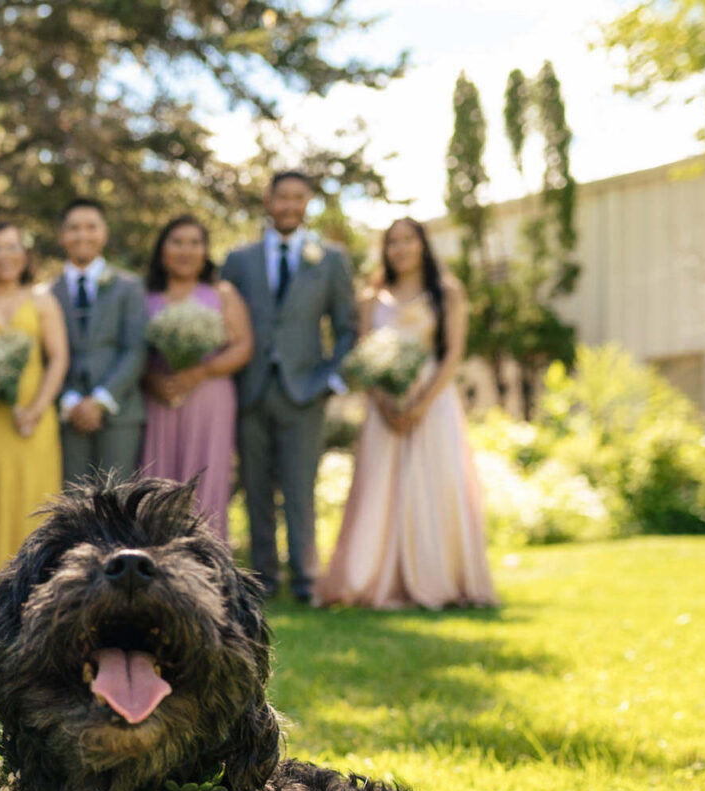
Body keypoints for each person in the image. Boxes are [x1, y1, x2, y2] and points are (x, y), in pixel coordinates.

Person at [319, 219, 498, 610]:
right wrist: (384, 404)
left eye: (408, 240)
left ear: (422, 244)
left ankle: (442, 577)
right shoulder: (371, 298)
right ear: (385, 249)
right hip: (383, 402)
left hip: (434, 404)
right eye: (393, 242)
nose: (401, 248)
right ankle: (376, 577)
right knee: (380, 485)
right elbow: (363, 354)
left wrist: (420, 404)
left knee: (436, 483)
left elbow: (452, 354)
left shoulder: (447, 292)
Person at [220, 170, 358, 603]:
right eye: (282, 198)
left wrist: (330, 378)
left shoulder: (331, 259)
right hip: (251, 390)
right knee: (256, 489)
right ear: (268, 200)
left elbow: (347, 328)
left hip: (304, 392)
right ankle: (262, 581)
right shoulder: (239, 260)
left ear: (308, 203)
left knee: (301, 488)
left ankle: (305, 579)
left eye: (298, 198)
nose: (289, 206)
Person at [0, 221, 67, 609]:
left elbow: (58, 359)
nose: (6, 257)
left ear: (26, 255)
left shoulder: (41, 301)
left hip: (33, 417)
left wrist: (36, 409)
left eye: (13, 247)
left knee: (32, 495)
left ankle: (33, 585)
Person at [138, 215, 253, 540]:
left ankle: (205, 562)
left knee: (206, 476)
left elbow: (243, 346)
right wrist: (152, 380)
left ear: (205, 251)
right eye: (177, 242)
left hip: (209, 398)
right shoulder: (144, 296)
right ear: (162, 251)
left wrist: (200, 371)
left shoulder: (222, 293)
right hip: (159, 399)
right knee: (155, 479)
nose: (186, 250)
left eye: (194, 243)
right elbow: (134, 350)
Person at [51, 198, 148, 483]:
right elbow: (45, 357)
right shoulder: (47, 292)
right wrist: (69, 399)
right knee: (72, 506)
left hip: (119, 411)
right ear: (62, 235)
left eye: (91, 227)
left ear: (103, 233)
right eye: (73, 228)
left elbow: (135, 348)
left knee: (117, 503)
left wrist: (101, 400)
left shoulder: (129, 287)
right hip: (66, 413)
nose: (83, 235)